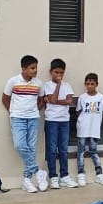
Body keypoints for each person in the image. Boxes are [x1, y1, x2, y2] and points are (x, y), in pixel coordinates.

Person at [1, 55, 47, 193]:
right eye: (32, 68)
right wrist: (13, 112)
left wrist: (34, 110)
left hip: (33, 119)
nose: (35, 70)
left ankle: (27, 181)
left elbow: (42, 100)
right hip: (17, 118)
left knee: (31, 149)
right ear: (24, 68)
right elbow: (5, 98)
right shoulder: (13, 81)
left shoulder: (39, 83)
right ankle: (38, 172)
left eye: (36, 68)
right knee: (20, 145)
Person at [42, 59, 78, 189]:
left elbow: (69, 101)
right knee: (52, 150)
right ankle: (53, 177)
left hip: (64, 121)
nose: (59, 75)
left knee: (63, 149)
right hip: (51, 121)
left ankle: (64, 176)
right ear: (50, 72)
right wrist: (58, 85)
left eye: (61, 73)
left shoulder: (67, 85)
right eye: (56, 72)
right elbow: (53, 98)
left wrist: (54, 101)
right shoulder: (47, 85)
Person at [75, 73, 103, 186]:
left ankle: (99, 174)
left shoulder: (101, 97)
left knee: (94, 151)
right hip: (83, 128)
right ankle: (81, 174)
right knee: (81, 152)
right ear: (85, 84)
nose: (90, 86)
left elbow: (102, 112)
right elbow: (78, 111)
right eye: (88, 84)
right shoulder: (82, 97)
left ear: (96, 84)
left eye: (92, 84)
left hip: (94, 129)